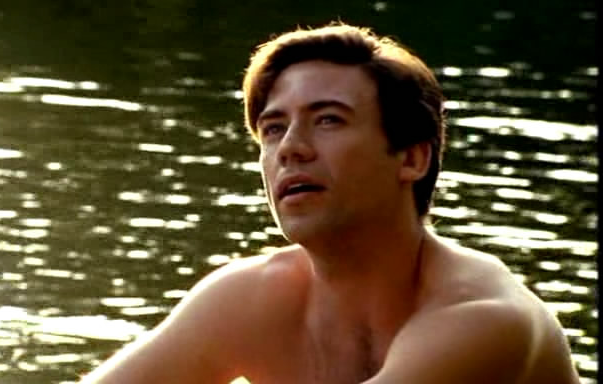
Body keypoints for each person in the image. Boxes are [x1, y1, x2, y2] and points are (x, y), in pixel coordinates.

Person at [79, 22, 580, 384]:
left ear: (411, 158)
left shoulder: (485, 319)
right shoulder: (250, 298)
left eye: (328, 120)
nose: (290, 148)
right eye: (273, 129)